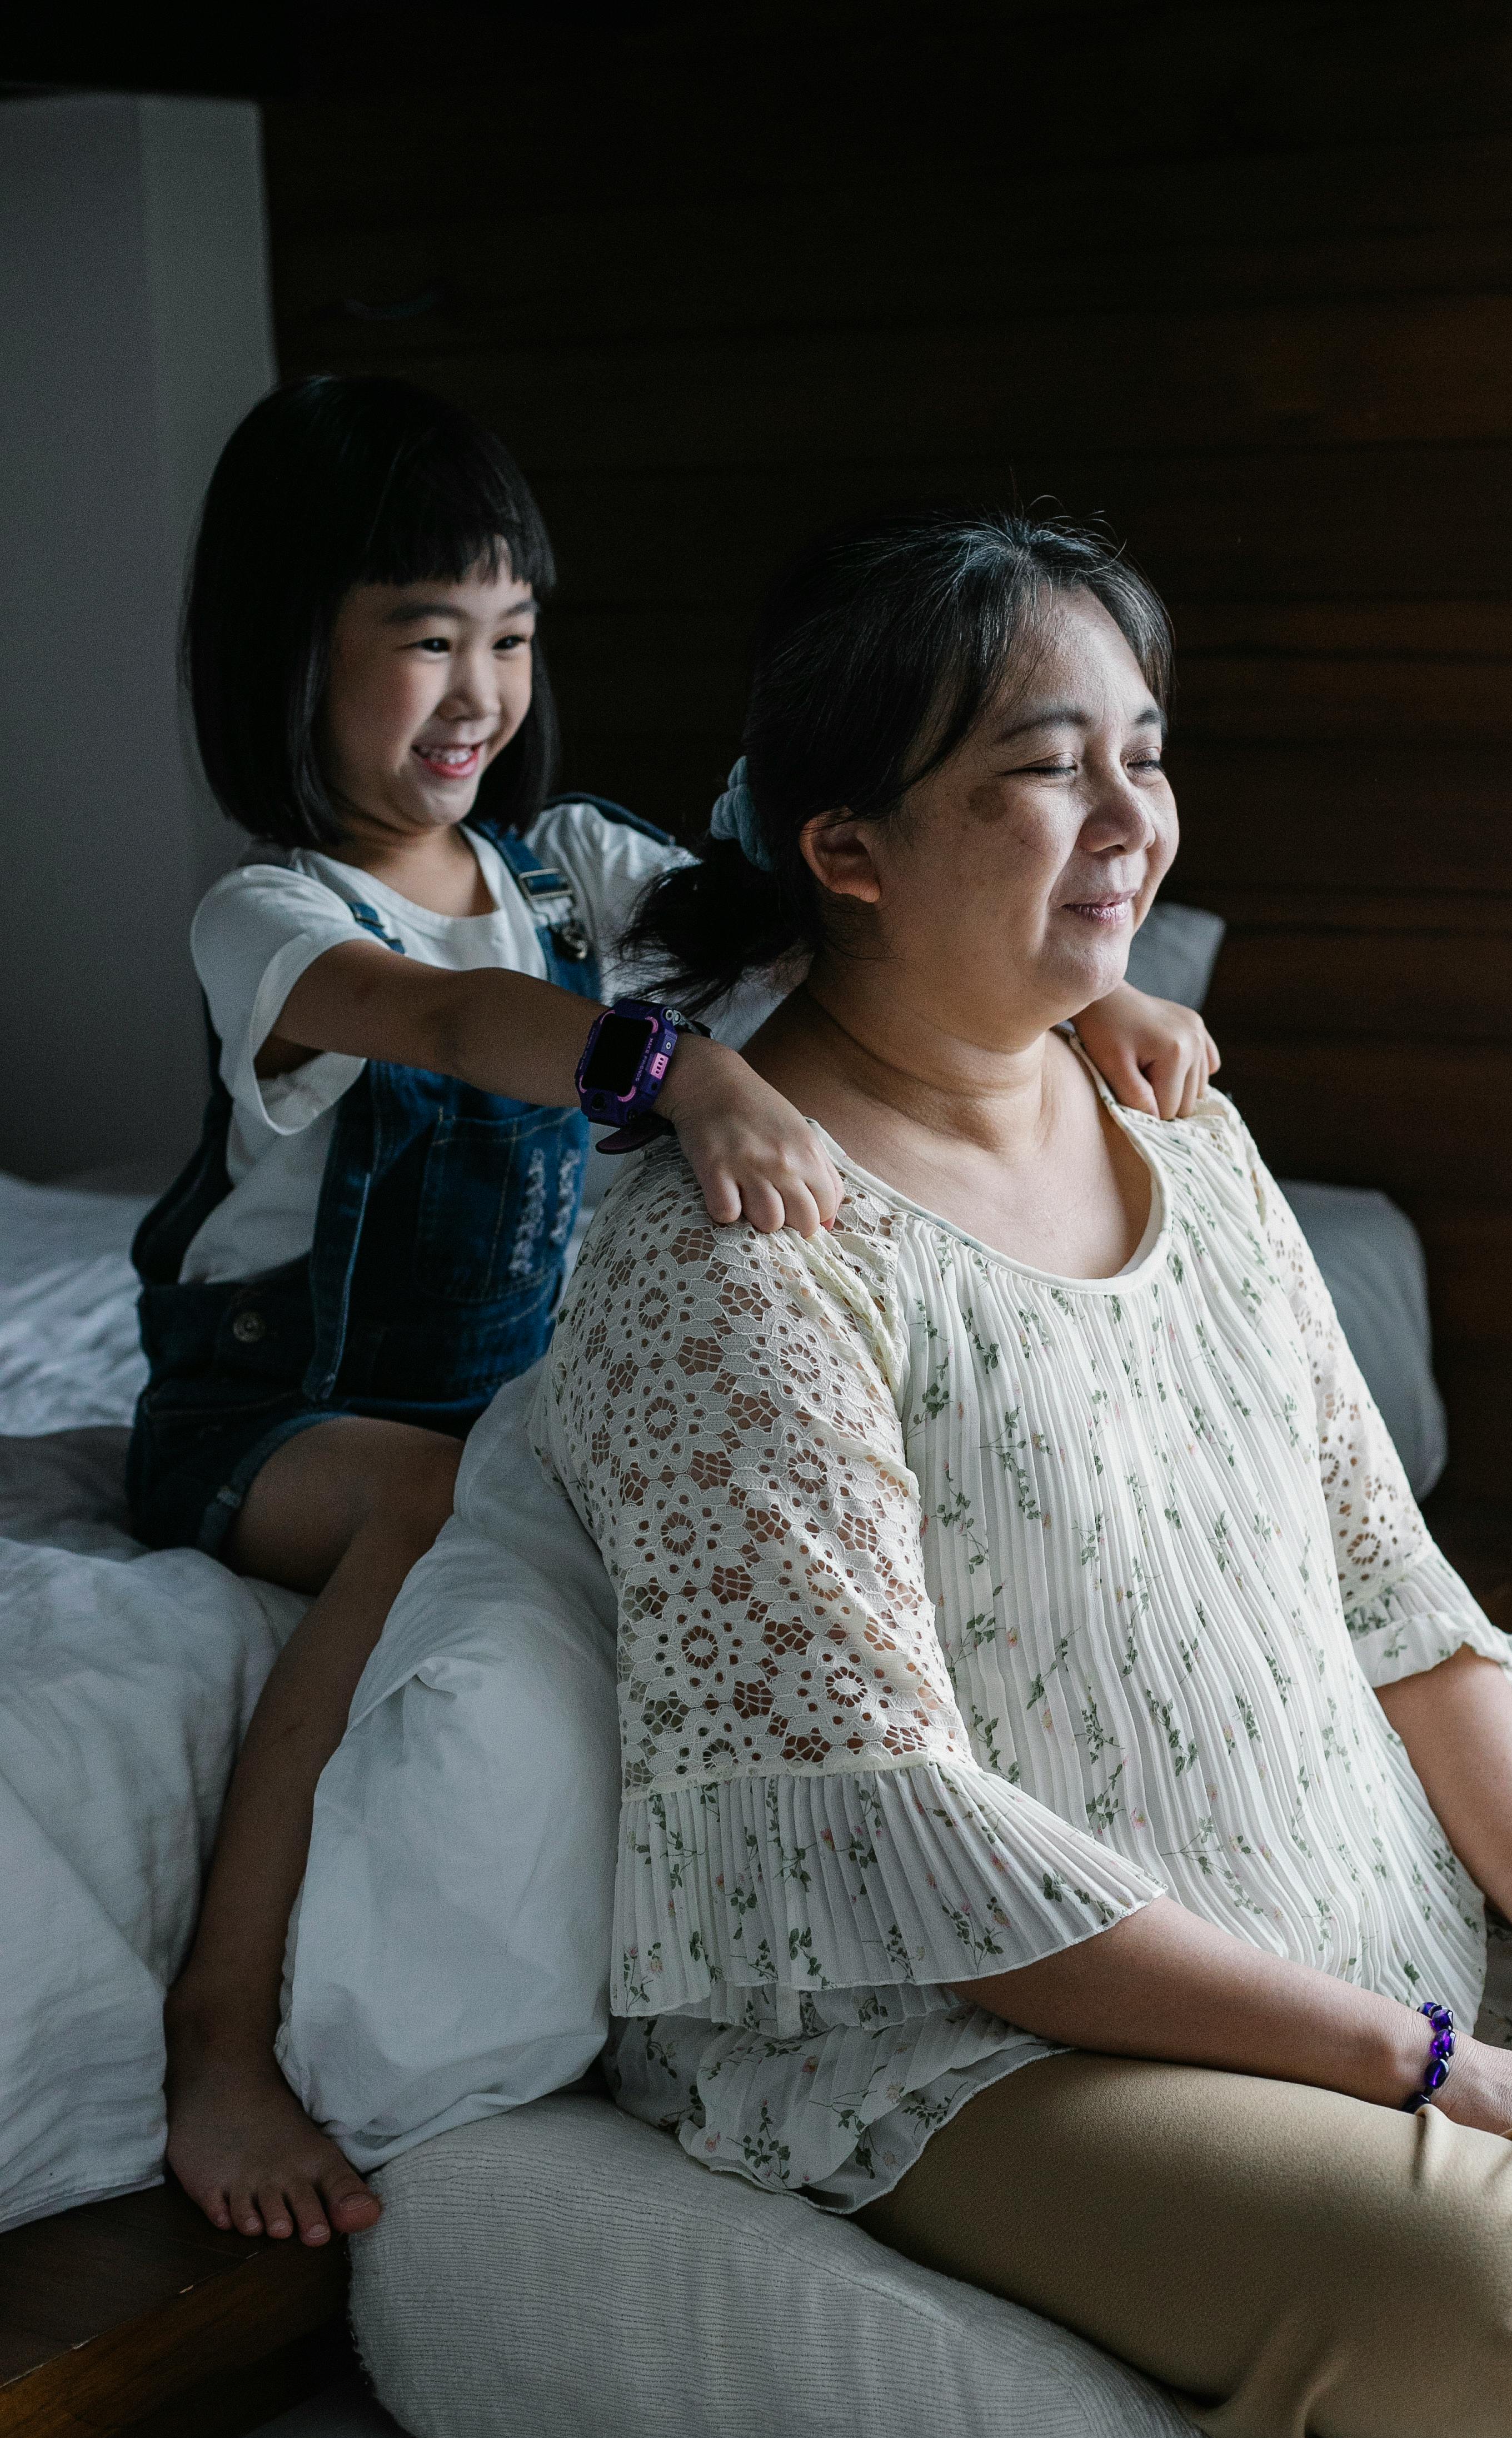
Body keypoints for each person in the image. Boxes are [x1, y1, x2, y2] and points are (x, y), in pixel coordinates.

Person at [535, 505, 1512, 2438]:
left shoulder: (1179, 1118)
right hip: (994, 2029)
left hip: (1340, 1870)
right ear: (847, 847)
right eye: (1045, 770)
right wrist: (1442, 2065)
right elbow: (908, 1856)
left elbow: (1385, 1578)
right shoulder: (744, 1258)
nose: (1128, 821)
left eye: (1142, 753)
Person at [136, 386, 1215, 2252]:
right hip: (285, 1407)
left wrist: (1075, 995)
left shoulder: (570, 869)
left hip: (505, 1384)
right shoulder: (271, 915)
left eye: (511, 639)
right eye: (420, 643)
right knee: (423, 1509)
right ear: (288, 652)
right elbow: (457, 1024)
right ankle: (223, 2043)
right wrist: (672, 1072)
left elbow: (856, 928)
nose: (475, 694)